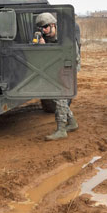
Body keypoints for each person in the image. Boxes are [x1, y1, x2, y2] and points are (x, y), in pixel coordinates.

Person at [35, 12, 80, 141]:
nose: (44, 31)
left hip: (69, 67)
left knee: (60, 95)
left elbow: (71, 58)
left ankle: (61, 130)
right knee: (55, 95)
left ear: (53, 25)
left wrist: (47, 48)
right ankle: (72, 122)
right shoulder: (45, 37)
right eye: (41, 28)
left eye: (45, 27)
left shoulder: (66, 37)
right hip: (55, 68)